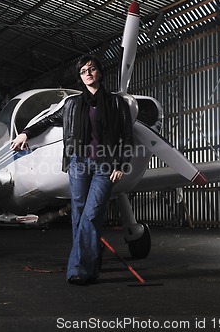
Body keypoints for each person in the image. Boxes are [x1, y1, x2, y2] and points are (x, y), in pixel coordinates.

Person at [10, 54, 134, 285]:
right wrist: (26, 133)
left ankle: (77, 270)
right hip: (78, 163)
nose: (88, 73)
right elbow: (47, 121)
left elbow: (127, 136)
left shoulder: (118, 103)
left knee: (92, 213)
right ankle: (92, 264)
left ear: (100, 72)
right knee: (79, 214)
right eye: (83, 70)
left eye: (92, 69)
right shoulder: (72, 104)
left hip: (105, 166)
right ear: (80, 77)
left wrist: (122, 165)